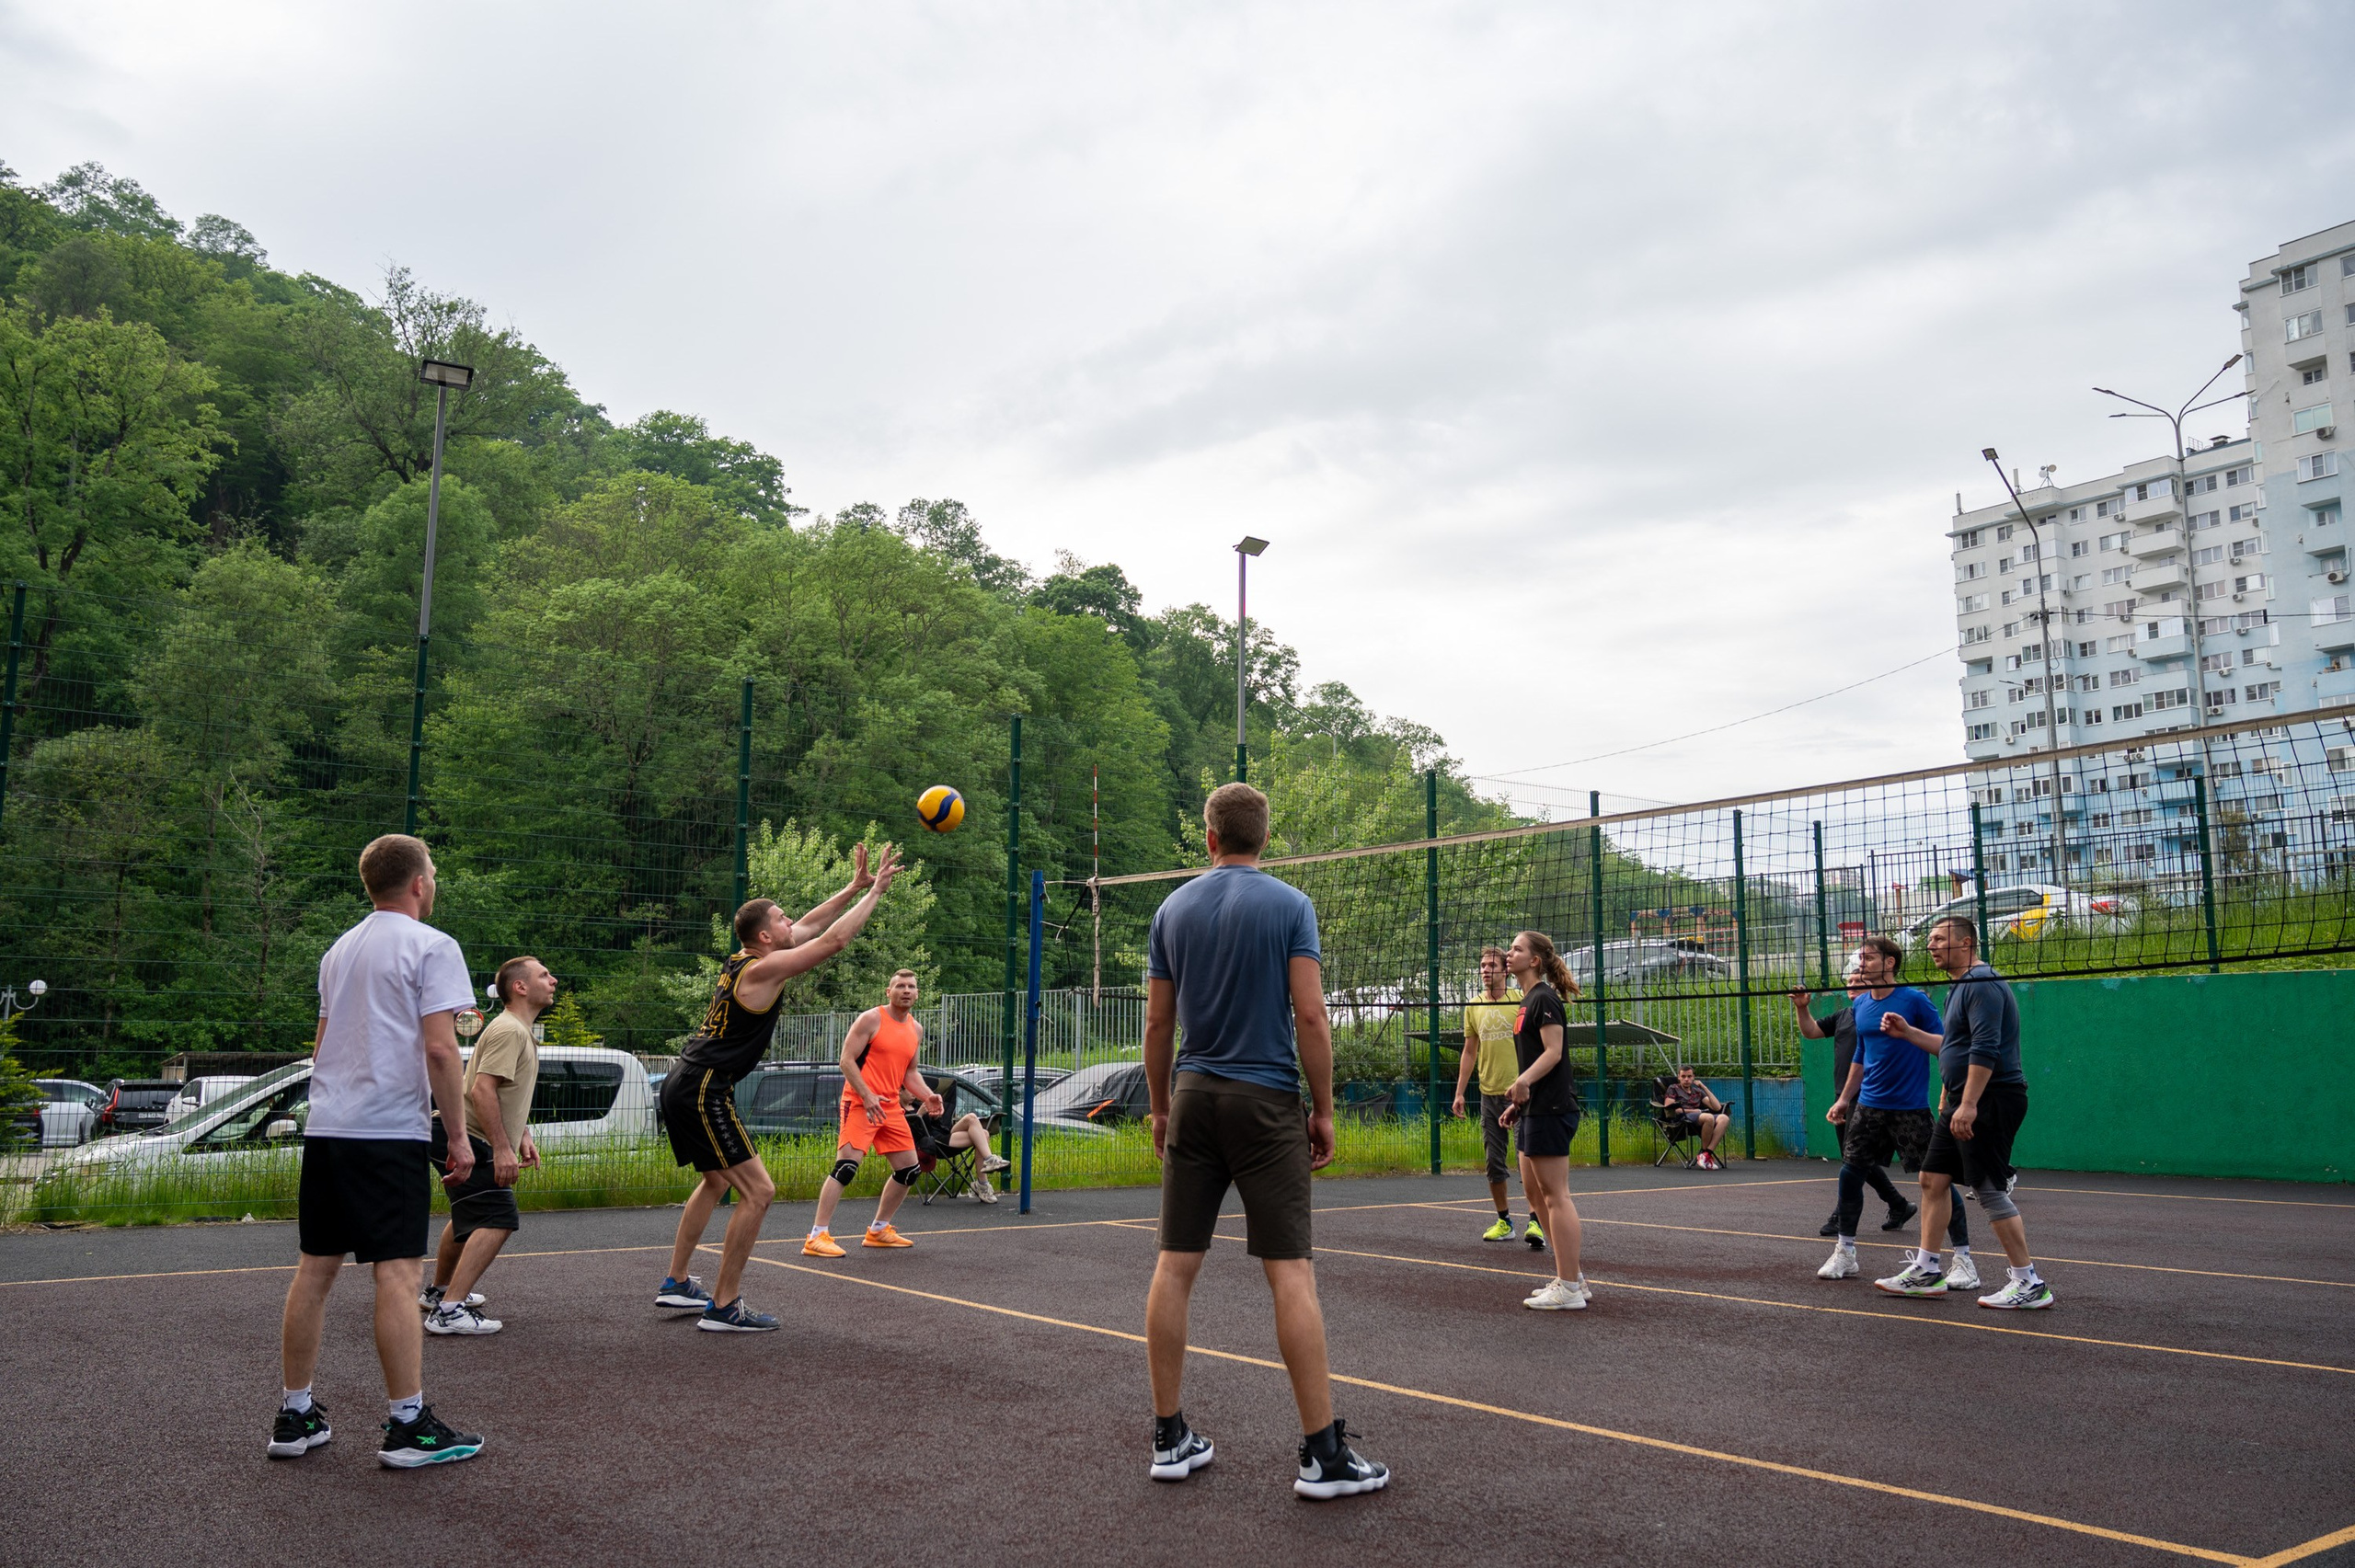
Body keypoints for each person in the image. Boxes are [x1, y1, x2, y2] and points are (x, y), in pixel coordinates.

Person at [1143, 782, 1387, 1499]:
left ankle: (1168, 1437)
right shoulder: (1291, 904)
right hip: (1265, 1101)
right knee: (1290, 1273)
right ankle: (1323, 1455)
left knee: (1174, 1264)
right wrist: (1325, 1109)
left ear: (1210, 837)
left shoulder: (1171, 908)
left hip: (1193, 1095)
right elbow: (1310, 1016)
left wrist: (1159, 1107)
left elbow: (1158, 1024)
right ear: (1265, 838)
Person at [270, 833, 487, 1469]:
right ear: (419, 883)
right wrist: (456, 1136)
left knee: (315, 1268)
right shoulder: (433, 945)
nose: (434, 881)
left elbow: (321, 1047)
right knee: (397, 1273)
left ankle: (295, 1413)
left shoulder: (339, 950)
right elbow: (442, 1049)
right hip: (388, 1130)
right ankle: (408, 1425)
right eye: (433, 872)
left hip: (329, 1127)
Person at [656, 843, 903, 1331]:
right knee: (759, 1192)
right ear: (767, 936)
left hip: (686, 1081)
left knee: (716, 1180)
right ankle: (724, 1306)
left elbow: (811, 926)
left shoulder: (748, 958)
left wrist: (851, 888)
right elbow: (832, 941)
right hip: (704, 1089)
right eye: (782, 918)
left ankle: (677, 1282)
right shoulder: (764, 968)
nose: (792, 921)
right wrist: (875, 892)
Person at [1871, 916, 2055, 1310]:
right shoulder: (1960, 987)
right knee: (1932, 1178)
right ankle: (1926, 1271)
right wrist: (1909, 1033)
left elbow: (1986, 1048)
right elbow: (1953, 1046)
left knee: (1987, 1188)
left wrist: (1969, 1104)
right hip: (1962, 1098)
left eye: (1940, 939)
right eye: (1930, 940)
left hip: (1990, 1098)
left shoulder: (1981, 983)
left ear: (1967, 942)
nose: (1931, 946)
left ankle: (2030, 1283)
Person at [1815, 936, 1977, 1290]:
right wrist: (1845, 1099)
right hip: (1869, 1106)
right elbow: (1861, 1056)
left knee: (1938, 1182)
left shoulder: (1914, 1000)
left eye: (1869, 958)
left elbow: (1947, 1047)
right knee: (1850, 1173)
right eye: (1860, 959)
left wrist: (1949, 1093)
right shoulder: (1861, 1005)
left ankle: (1964, 1260)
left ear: (1890, 963)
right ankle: (1845, 1252)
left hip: (1909, 1109)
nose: (1862, 964)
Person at [421, 955, 554, 1334]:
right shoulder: (510, 1030)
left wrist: (521, 1135)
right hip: (468, 1136)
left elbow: (503, 1091)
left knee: (470, 1214)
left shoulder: (516, 1029)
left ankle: (439, 1292)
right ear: (520, 987)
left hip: (459, 1133)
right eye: (544, 975)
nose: (553, 980)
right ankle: (448, 1311)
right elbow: (481, 1089)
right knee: (497, 1217)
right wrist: (501, 1148)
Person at [804, 969, 949, 1251]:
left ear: (917, 994)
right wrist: (867, 1095)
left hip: (890, 1106)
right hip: (860, 1103)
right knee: (846, 1168)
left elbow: (910, 1073)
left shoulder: (916, 1029)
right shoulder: (871, 1019)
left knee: (909, 1171)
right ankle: (816, 1236)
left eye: (911, 986)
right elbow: (846, 1061)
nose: (906, 990)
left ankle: (879, 1230)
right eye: (900, 986)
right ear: (888, 992)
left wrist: (928, 1096)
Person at [1498, 930, 1590, 1311]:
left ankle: (1569, 1289)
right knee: (1536, 1196)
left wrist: (1522, 1082)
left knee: (1555, 1196)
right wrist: (1520, 1103)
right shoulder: (1527, 1001)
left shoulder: (1544, 998)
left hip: (1552, 1109)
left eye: (1517, 949)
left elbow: (1553, 1052)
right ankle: (1572, 1277)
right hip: (1534, 1109)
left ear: (1534, 960)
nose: (1509, 953)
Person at [1791, 960, 1915, 1236]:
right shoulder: (1843, 1015)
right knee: (1856, 1158)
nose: (1852, 985)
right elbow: (1811, 1032)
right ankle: (1898, 1204)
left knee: (1855, 1159)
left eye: (1859, 981)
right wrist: (1802, 1008)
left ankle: (1842, 1216)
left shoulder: (1883, 1014)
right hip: (1844, 1096)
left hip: (1873, 1095)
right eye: (1849, 982)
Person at [1451, 946, 1533, 1242]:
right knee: (1494, 1163)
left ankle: (1535, 1222)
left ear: (1505, 970)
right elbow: (1469, 1051)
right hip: (1489, 1094)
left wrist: (1529, 1082)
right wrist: (1460, 1093)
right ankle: (1504, 1222)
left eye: (1491, 966)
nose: (1485, 970)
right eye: (1483, 965)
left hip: (1521, 1094)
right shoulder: (1474, 1006)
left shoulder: (1521, 1000)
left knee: (1528, 1161)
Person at [907, 1077, 1012, 1203]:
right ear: (899, 1092)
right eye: (909, 1091)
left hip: (946, 1133)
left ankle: (988, 1166)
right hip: (934, 1142)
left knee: (973, 1120)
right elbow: (911, 1135)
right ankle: (983, 1183)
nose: (913, 1094)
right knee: (983, 1134)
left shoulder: (919, 1103)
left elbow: (935, 1124)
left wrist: (935, 1117)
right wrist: (919, 1115)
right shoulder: (900, 1112)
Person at [1657, 1064, 1730, 1170]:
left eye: (1689, 1076)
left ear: (1693, 1077)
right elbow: (1670, 1108)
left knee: (1724, 1118)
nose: (1686, 1079)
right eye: (1683, 1076)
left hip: (1699, 1117)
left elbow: (1717, 1107)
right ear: (1679, 1077)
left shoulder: (1697, 1091)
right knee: (1709, 1117)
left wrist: (1704, 1087)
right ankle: (1705, 1155)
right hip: (1682, 1118)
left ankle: (1706, 1154)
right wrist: (1694, 1111)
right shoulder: (1673, 1088)